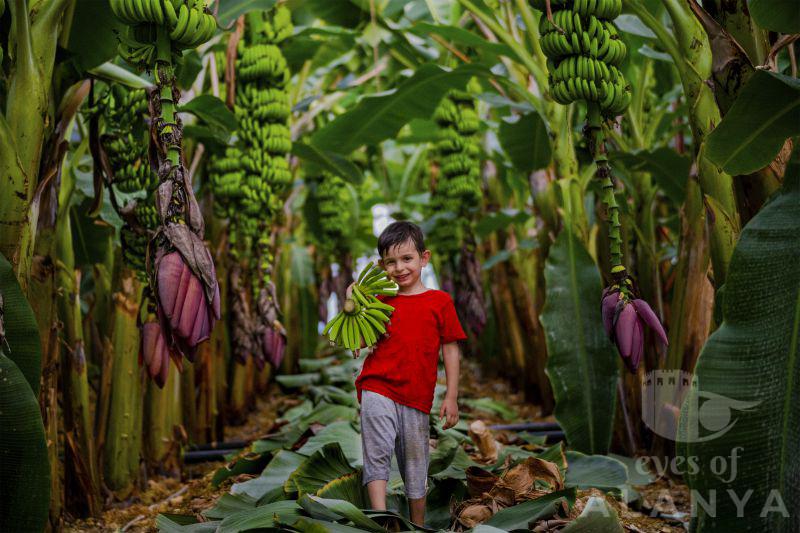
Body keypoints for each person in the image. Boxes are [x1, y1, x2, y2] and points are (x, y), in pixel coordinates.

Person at [349, 220, 466, 527]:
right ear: (380, 265)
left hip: (417, 396)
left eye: (407, 259)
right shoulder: (379, 302)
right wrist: (352, 302)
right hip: (378, 386)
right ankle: (381, 519)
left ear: (424, 258)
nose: (399, 268)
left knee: (415, 464)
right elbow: (359, 339)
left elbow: (450, 348)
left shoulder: (439, 302)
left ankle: (417, 523)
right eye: (391, 262)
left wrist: (451, 396)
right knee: (376, 452)